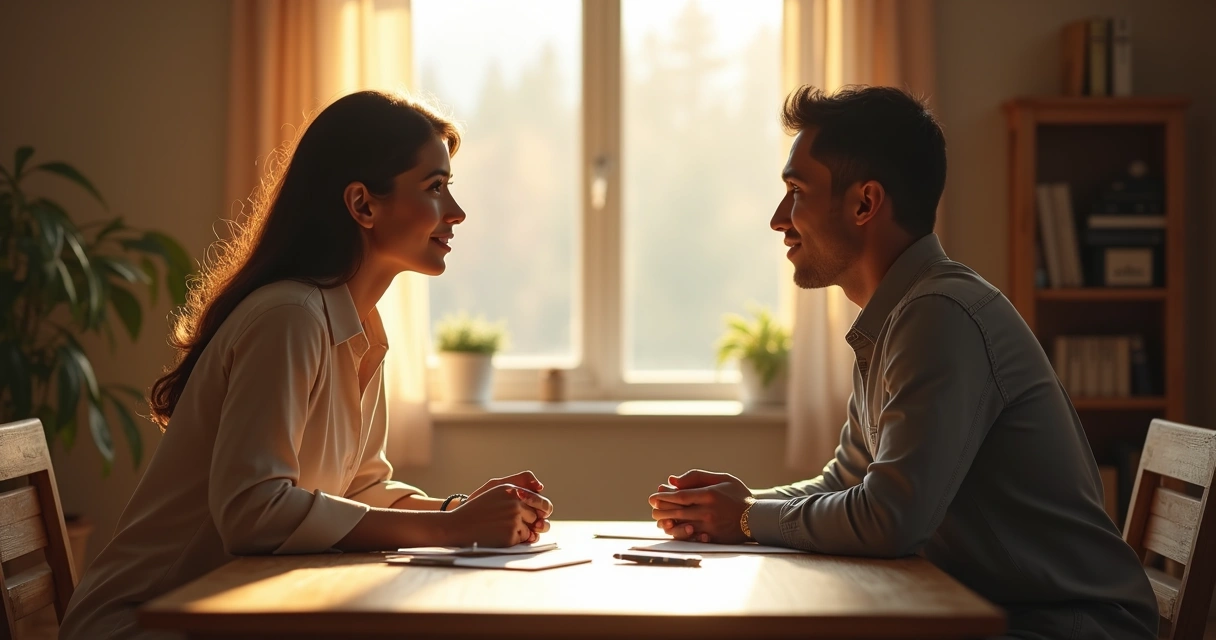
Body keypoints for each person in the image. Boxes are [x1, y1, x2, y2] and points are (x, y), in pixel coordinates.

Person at [649, 85, 1158, 639]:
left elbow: (888, 520)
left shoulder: (938, 315)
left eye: (796, 190)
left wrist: (746, 517)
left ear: (865, 203)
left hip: (1068, 626)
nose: (778, 219)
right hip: (1007, 614)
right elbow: (845, 481)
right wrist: (734, 506)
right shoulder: (899, 316)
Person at [61, 91, 554, 640]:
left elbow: (360, 489)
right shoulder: (289, 316)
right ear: (363, 205)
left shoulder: (360, 326)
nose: (456, 212)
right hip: (139, 626)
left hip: (233, 618)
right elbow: (254, 510)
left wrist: (460, 509)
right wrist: (450, 529)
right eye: (435, 187)